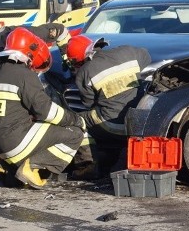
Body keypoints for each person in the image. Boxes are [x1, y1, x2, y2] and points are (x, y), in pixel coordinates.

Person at [0, 27, 90, 189]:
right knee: (74, 134)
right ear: (29, 52)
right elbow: (46, 111)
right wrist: (74, 119)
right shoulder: (23, 75)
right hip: (17, 141)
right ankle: (32, 168)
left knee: (14, 177)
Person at [65, 34, 152, 171]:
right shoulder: (127, 51)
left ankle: (88, 166)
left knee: (76, 121)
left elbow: (88, 104)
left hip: (112, 124)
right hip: (139, 120)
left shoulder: (84, 72)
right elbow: (147, 57)